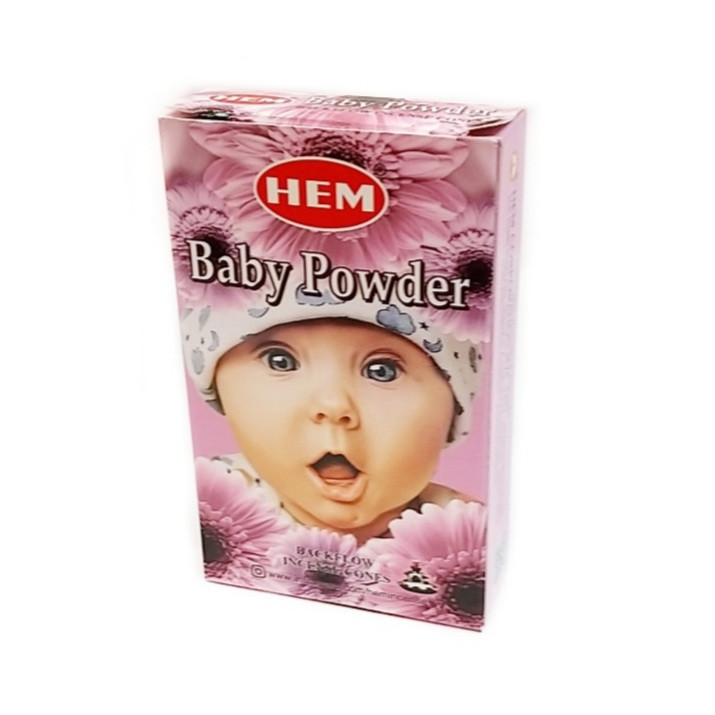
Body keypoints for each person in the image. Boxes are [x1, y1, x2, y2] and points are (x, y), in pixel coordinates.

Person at [181, 275, 482, 545]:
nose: (334, 405)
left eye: (382, 371)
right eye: (280, 361)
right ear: (219, 392)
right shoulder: (213, 504)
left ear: (451, 415)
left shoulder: (465, 533)